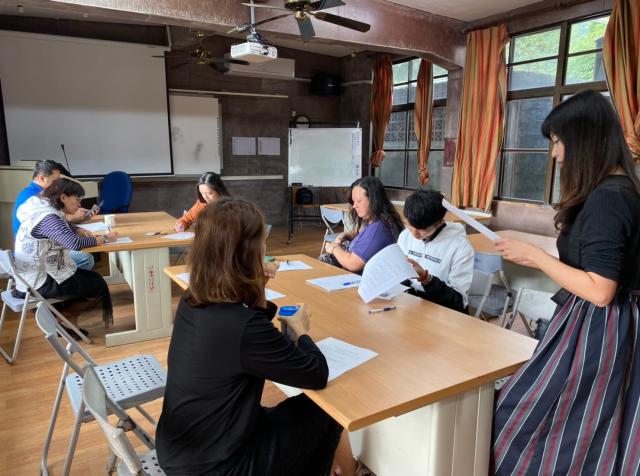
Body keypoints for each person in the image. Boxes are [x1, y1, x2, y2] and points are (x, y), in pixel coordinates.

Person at [492, 90, 640, 475]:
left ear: (584, 141)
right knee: (583, 422)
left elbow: (601, 290)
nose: (555, 154)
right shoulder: (613, 190)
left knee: (553, 419)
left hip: (601, 327)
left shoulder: (610, 199)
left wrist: (535, 256)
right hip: (593, 321)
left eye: (558, 142)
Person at [156, 198, 356, 476]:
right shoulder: (241, 326)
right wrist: (301, 332)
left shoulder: (194, 299)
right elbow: (315, 373)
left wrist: (257, 284)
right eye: (262, 242)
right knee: (326, 411)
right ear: (247, 252)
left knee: (301, 417)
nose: (265, 248)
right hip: (219, 465)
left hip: (185, 446)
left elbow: (249, 324)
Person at [14, 177, 117, 335]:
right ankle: (61, 318)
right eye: (77, 199)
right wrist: (103, 239)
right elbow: (74, 243)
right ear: (63, 197)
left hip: (30, 276)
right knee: (98, 286)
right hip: (39, 282)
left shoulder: (41, 206)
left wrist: (77, 229)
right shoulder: (48, 217)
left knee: (92, 278)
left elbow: (62, 223)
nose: (79, 204)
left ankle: (65, 321)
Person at [397, 190, 474, 313]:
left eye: (423, 229)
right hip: (412, 304)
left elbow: (458, 301)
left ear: (439, 223)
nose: (414, 233)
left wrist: (426, 278)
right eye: (410, 225)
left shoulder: (460, 247)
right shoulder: (405, 236)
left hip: (442, 311)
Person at [12, 160, 97, 270]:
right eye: (55, 180)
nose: (58, 184)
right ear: (42, 178)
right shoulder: (34, 198)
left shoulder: (38, 195)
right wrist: (75, 218)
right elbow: (53, 221)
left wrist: (76, 229)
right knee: (85, 258)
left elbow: (58, 217)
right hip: (35, 255)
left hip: (42, 247)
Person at [324, 176, 404, 273]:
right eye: (353, 201)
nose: (354, 206)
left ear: (373, 200)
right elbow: (365, 235)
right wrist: (348, 235)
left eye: (358, 201)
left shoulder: (379, 229)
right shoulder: (376, 221)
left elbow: (353, 264)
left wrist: (334, 248)